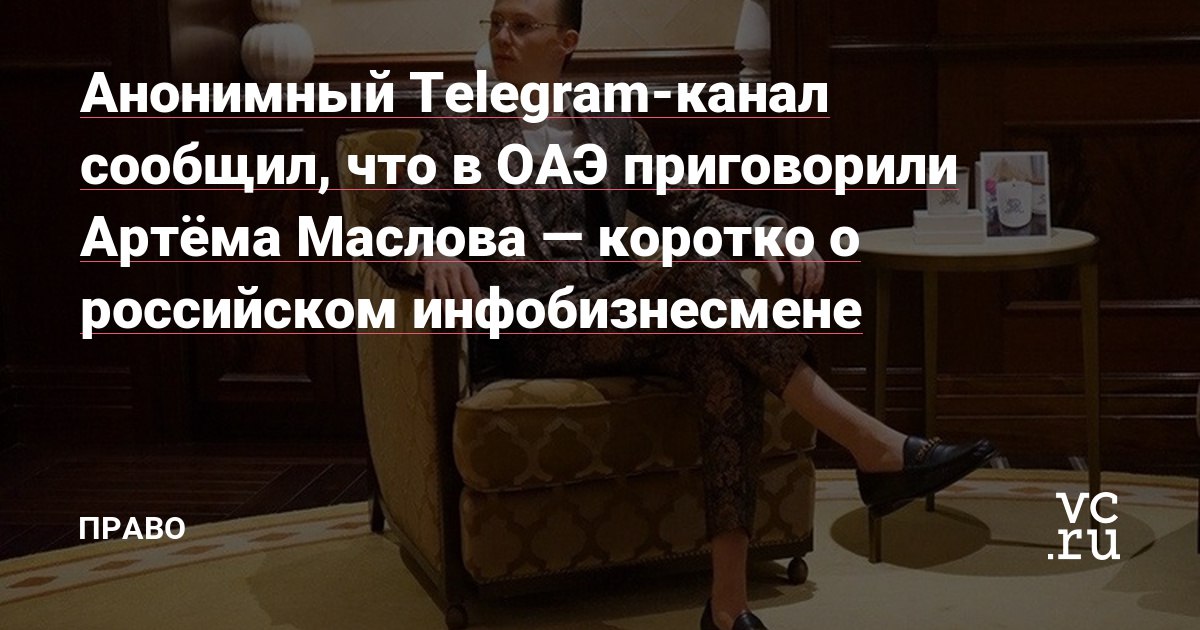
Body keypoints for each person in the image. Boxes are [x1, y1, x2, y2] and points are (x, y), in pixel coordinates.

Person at [375, 1, 997, 628]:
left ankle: (727, 607)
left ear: (567, 41)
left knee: (717, 347)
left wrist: (767, 225)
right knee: (699, 274)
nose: (502, 38)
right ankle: (874, 446)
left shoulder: (609, 125)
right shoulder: (458, 128)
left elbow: (687, 205)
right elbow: (391, 227)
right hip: (531, 328)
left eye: (522, 25)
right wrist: (429, 251)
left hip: (610, 312)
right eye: (495, 24)